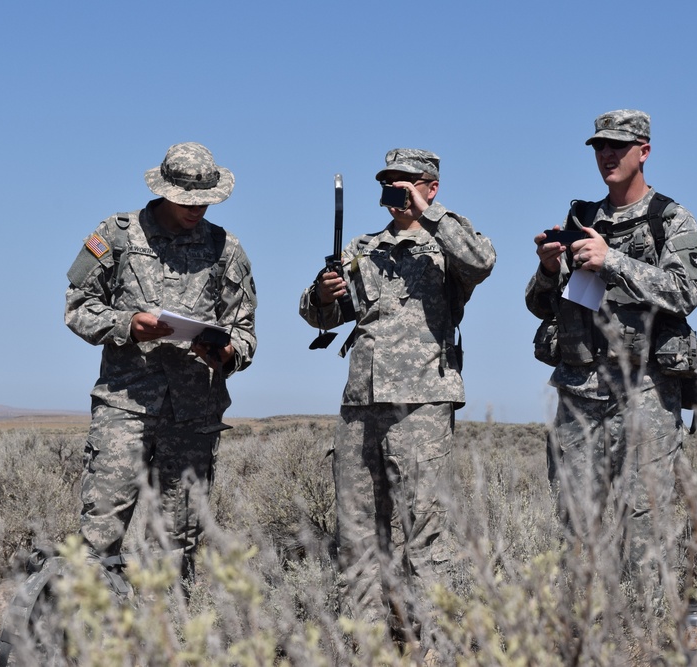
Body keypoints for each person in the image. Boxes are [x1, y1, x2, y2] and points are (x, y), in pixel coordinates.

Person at [299, 148, 496, 642]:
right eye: (389, 182)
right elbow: (318, 317)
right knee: (358, 529)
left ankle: (434, 641)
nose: (396, 191)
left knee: (424, 528)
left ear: (431, 186)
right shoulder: (363, 249)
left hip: (423, 403)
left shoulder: (446, 245)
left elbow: (482, 261)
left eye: (408, 182)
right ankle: (365, 641)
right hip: (361, 402)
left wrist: (430, 215)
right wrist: (322, 296)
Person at [526, 110, 697, 615]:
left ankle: (648, 635)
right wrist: (546, 269)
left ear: (643, 151)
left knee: (647, 521)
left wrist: (614, 261)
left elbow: (684, 292)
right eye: (599, 147)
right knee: (575, 521)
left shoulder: (671, 218)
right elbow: (542, 304)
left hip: (645, 391)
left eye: (618, 147)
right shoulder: (581, 218)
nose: (606, 155)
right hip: (581, 392)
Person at [65, 142, 257, 585]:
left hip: (193, 415)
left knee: (178, 538)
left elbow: (245, 331)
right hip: (124, 405)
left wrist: (228, 352)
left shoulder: (225, 249)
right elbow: (78, 306)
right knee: (99, 530)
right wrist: (127, 324)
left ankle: (163, 640)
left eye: (206, 199)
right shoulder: (115, 235)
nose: (198, 208)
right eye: (188, 200)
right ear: (165, 190)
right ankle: (91, 634)